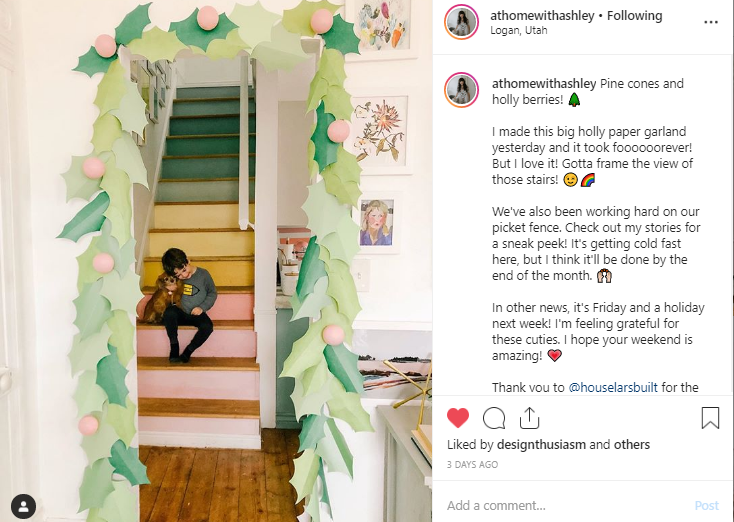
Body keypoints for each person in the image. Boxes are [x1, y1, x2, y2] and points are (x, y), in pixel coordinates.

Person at [161, 248, 217, 363]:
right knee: (169, 313)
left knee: (208, 327)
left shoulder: (203, 274)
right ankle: (174, 346)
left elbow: (212, 293)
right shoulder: (175, 278)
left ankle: (188, 352)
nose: (184, 275)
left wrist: (202, 307)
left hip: (196, 313)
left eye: (184, 270)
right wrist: (168, 289)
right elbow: (162, 286)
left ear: (188, 261)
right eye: (179, 275)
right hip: (181, 311)